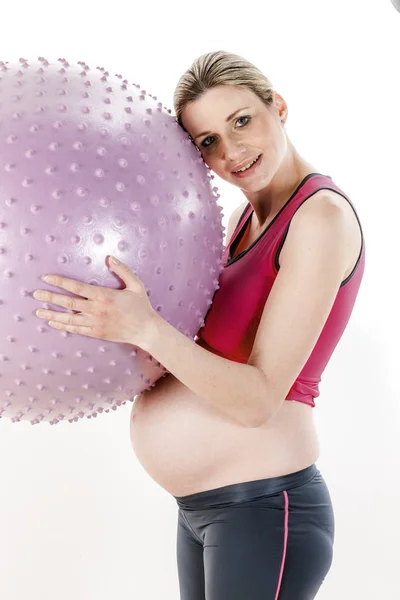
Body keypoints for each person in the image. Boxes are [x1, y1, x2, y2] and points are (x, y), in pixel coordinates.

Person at [130, 49, 365, 599]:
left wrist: (146, 328)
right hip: (207, 509)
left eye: (241, 121)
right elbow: (213, 354)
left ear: (276, 106)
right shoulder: (242, 220)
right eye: (207, 141)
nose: (231, 151)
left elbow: (258, 399)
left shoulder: (319, 218)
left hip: (263, 508)